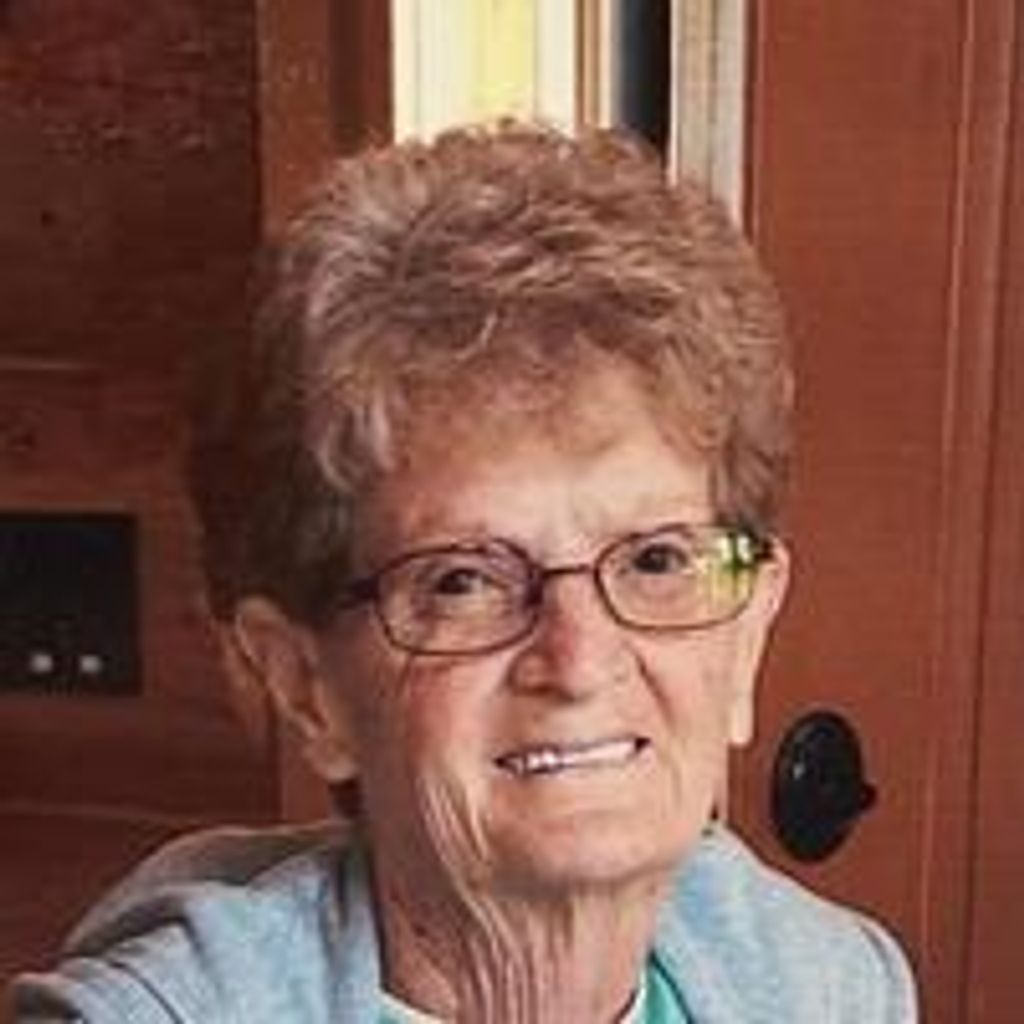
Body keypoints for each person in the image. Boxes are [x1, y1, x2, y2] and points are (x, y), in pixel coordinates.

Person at [12, 122, 917, 1022]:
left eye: (656, 559)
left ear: (747, 636)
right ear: (304, 685)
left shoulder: (838, 989)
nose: (580, 660)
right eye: (464, 581)